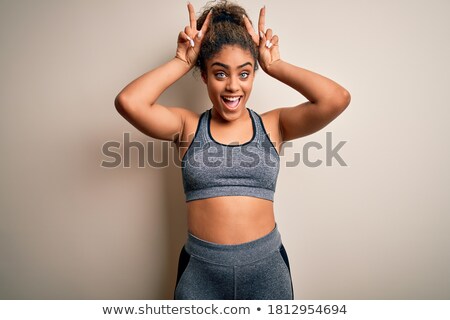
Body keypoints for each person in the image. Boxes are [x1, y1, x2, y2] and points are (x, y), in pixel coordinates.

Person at [115, 1, 350, 300]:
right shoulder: (187, 127)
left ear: (254, 74)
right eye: (220, 73)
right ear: (204, 76)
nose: (233, 87)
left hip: (267, 270)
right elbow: (129, 102)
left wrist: (275, 65)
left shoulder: (274, 125)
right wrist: (181, 60)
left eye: (244, 73)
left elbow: (336, 99)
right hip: (201, 272)